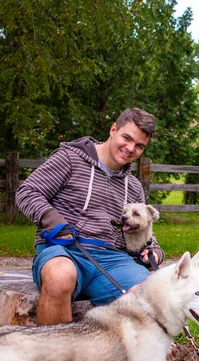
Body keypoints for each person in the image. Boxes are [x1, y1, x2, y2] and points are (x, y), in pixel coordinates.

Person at [16, 107, 164, 325]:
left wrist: (154, 250)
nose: (130, 148)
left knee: (148, 294)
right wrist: (52, 220)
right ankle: (54, 357)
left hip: (112, 259)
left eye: (139, 146)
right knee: (59, 277)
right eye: (127, 138)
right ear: (113, 129)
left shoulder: (132, 186)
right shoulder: (69, 158)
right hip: (64, 250)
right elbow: (27, 192)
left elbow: (142, 228)